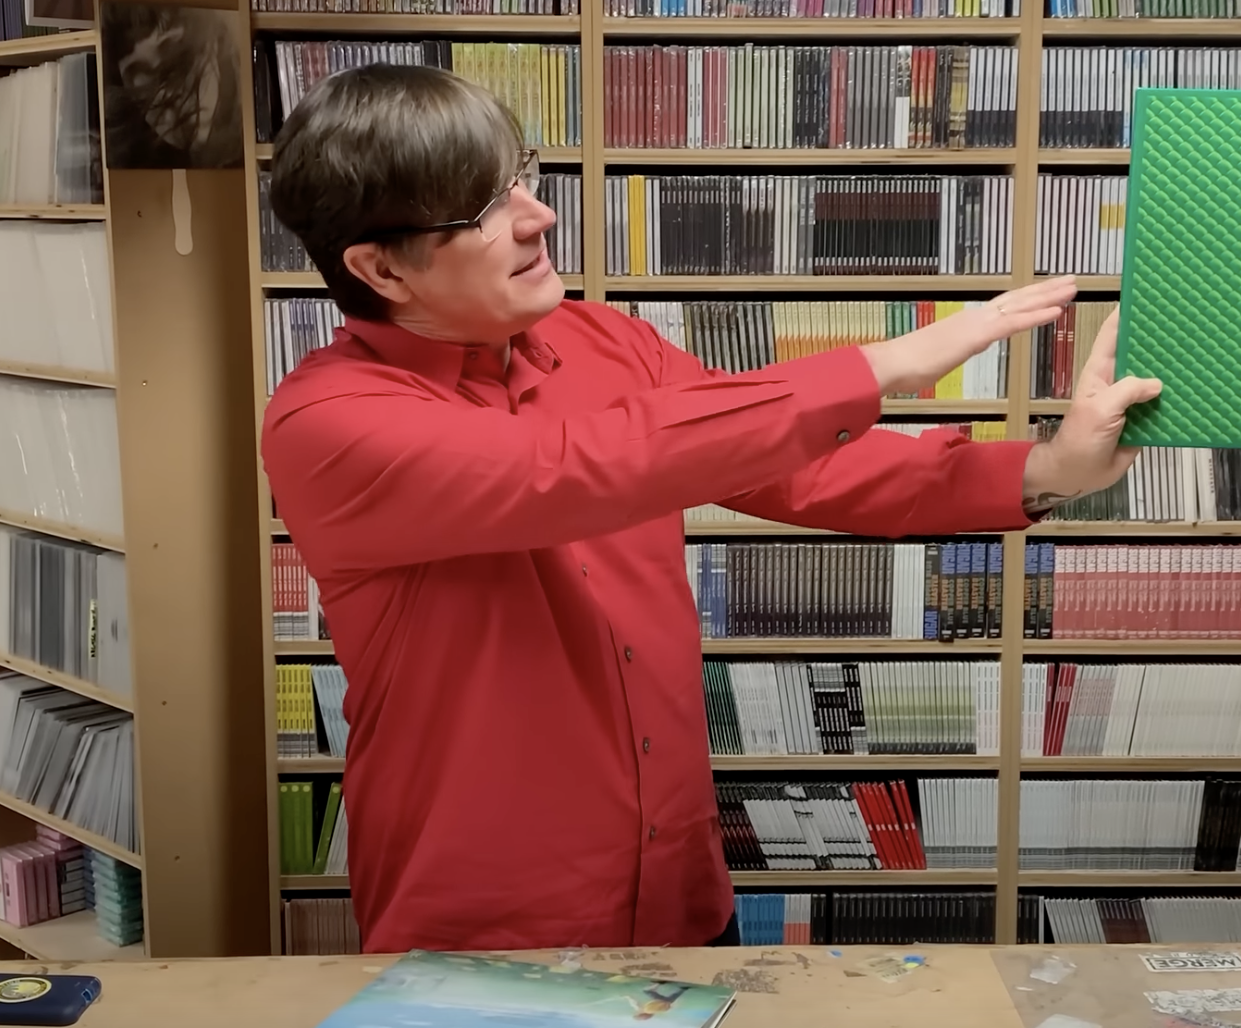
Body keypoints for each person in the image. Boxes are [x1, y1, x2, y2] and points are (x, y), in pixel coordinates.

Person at [259, 63, 1164, 955]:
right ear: (381, 266)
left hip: (679, 890)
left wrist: (1045, 470)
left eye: (521, 176)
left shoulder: (602, 340)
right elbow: (574, 469)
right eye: (485, 208)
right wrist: (880, 367)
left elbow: (798, 470)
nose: (538, 216)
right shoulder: (327, 423)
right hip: (489, 918)